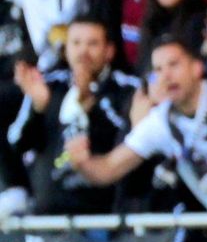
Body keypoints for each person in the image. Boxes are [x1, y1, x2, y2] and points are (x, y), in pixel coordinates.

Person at [68, 34, 207, 236]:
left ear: (197, 67)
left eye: (174, 65)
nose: (166, 76)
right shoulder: (160, 122)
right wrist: (82, 163)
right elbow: (109, 168)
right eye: (158, 69)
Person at [9, 18, 145, 215]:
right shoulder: (48, 85)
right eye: (76, 43)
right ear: (65, 50)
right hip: (48, 218)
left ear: (109, 51)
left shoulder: (129, 89)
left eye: (92, 44)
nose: (83, 51)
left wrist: (91, 105)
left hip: (106, 218)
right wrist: (39, 109)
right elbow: (16, 144)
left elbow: (136, 142)